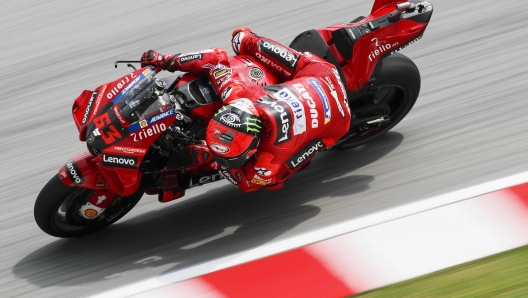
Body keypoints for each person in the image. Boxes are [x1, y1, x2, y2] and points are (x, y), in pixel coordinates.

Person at [141, 28, 351, 192]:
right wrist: (166, 61)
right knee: (241, 38)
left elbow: (250, 183)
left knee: (280, 175)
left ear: (254, 150)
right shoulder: (237, 99)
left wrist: (215, 161)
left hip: (337, 119)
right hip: (318, 77)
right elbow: (215, 61)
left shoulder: (268, 161)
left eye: (231, 159)